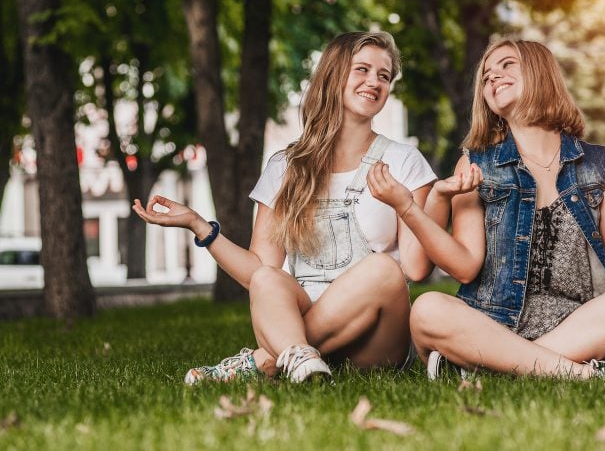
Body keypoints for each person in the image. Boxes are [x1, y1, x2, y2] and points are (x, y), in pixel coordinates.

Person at [368, 39, 605, 379]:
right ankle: (583, 373)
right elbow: (464, 266)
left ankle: (492, 367)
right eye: (486, 75)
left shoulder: (600, 164)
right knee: (428, 309)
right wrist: (411, 207)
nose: (493, 75)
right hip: (492, 324)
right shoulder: (476, 165)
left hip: (578, 324)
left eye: (507, 65)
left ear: (540, 74)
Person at [133, 31, 437, 384]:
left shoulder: (404, 162)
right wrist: (200, 226)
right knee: (266, 277)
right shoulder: (286, 167)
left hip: (376, 341)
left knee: (384, 269)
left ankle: (267, 360)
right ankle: (301, 357)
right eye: (363, 70)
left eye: (384, 76)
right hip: (299, 332)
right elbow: (258, 270)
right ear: (334, 74)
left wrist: (408, 203)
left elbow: (415, 270)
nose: (374, 82)